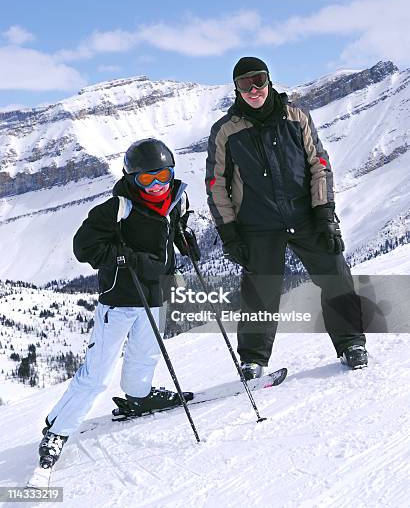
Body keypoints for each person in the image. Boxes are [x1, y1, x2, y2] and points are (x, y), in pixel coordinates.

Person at [38, 138, 198, 469]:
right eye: (146, 179)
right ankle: (58, 428)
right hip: (120, 301)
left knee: (145, 355)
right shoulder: (116, 209)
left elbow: (172, 230)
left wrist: (183, 239)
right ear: (130, 177)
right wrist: (126, 258)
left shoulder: (176, 200)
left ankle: (139, 398)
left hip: (155, 296)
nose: (156, 185)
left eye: (163, 176)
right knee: (96, 373)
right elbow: (84, 247)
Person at [206, 57, 367, 380]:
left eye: (259, 81)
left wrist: (324, 213)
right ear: (236, 88)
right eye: (244, 84)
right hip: (258, 222)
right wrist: (230, 232)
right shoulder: (226, 130)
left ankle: (351, 343)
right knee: (260, 291)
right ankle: (253, 359)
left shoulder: (297, 117)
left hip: (305, 215)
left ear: (269, 80)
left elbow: (319, 165)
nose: (254, 90)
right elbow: (215, 184)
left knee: (335, 272)